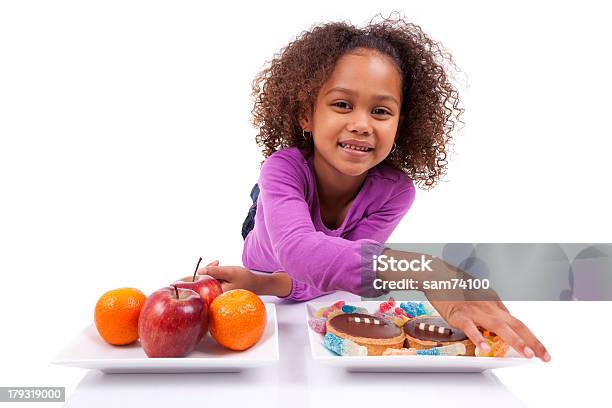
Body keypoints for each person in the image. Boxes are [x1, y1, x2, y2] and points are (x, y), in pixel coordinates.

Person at [200, 14, 550, 362]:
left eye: (381, 111)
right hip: (266, 238)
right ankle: (262, 202)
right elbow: (299, 253)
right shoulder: (282, 168)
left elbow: (330, 278)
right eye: (342, 104)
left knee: (329, 255)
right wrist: (429, 270)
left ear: (402, 124)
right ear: (306, 115)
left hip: (300, 259)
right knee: (277, 210)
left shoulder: (395, 192)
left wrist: (264, 285)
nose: (361, 124)